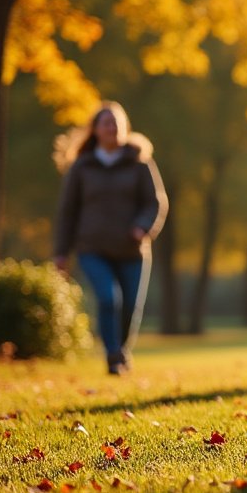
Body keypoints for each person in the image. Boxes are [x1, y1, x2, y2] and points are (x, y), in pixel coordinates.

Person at [52, 101, 168, 376]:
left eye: (117, 122)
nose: (112, 127)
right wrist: (61, 252)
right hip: (92, 248)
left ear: (125, 127)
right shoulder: (82, 167)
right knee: (108, 299)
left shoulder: (140, 162)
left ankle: (120, 351)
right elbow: (67, 211)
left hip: (133, 250)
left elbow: (155, 203)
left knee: (130, 307)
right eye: (107, 123)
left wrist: (142, 226)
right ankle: (113, 355)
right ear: (96, 130)